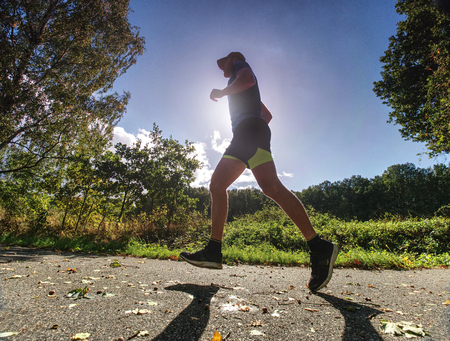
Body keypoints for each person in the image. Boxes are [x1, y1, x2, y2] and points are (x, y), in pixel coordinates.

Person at [180, 52, 338, 292]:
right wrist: (257, 130)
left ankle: (213, 250)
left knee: (218, 185)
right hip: (254, 132)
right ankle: (319, 247)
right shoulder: (244, 87)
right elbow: (268, 115)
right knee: (271, 188)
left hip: (247, 132)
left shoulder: (240, 67)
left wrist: (222, 93)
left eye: (224, 64)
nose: (222, 70)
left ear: (233, 59)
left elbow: (247, 81)